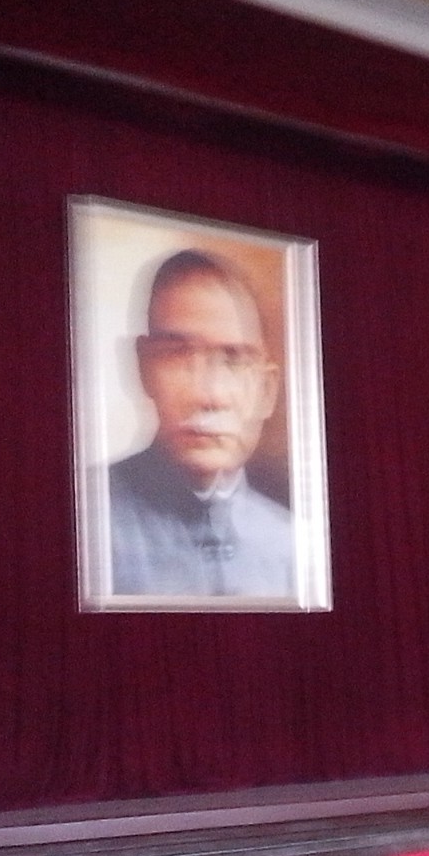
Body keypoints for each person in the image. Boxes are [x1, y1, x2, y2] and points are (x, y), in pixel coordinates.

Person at [107, 249, 295, 597]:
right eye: (178, 354)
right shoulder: (85, 522)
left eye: (234, 359)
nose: (208, 395)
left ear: (267, 391)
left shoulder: (293, 547)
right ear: (143, 368)